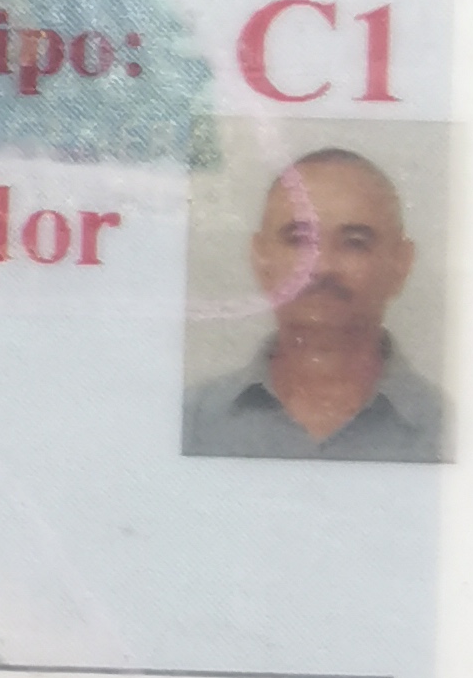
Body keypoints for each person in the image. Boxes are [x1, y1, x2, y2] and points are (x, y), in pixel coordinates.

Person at [182, 148, 446, 463]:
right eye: (298, 239)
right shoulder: (191, 423)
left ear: (400, 265)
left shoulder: (457, 434)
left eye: (355, 243)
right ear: (260, 259)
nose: (322, 267)